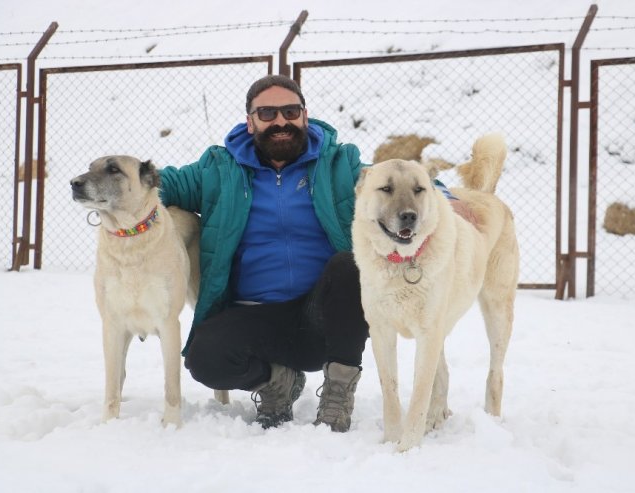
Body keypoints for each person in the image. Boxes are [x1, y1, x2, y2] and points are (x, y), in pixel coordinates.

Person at [160, 74, 472, 432]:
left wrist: (449, 201)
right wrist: (120, 183)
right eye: (267, 113)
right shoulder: (217, 169)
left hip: (327, 317)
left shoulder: (338, 163)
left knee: (350, 265)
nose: (280, 121)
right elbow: (163, 185)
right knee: (205, 358)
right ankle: (278, 382)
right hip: (254, 315)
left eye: (290, 111)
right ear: (250, 121)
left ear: (304, 116)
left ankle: (338, 392)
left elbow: (398, 182)